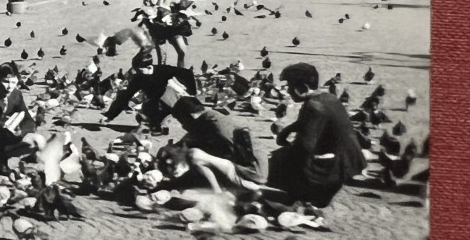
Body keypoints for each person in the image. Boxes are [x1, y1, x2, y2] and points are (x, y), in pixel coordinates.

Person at [267, 62, 367, 207]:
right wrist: (287, 130)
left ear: (303, 88)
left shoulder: (314, 106)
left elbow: (305, 146)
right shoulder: (328, 97)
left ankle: (299, 197)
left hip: (335, 168)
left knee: (280, 158)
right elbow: (305, 122)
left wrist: (288, 151)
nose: (287, 91)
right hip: (350, 161)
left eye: (290, 86)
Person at [152, 84, 260, 192]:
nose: (183, 127)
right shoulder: (209, 119)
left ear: (191, 116)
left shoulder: (214, 126)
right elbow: (187, 141)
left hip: (248, 172)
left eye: (182, 121)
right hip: (248, 168)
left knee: (194, 155)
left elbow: (233, 153)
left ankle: (218, 193)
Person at [103, 48, 197, 129]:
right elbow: (125, 97)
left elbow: (187, 73)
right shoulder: (138, 79)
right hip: (155, 104)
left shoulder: (163, 70)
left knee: (189, 121)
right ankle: (160, 121)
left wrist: (192, 91)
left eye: (139, 69)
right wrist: (110, 116)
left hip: (173, 100)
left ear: (148, 67)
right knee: (143, 118)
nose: (136, 72)